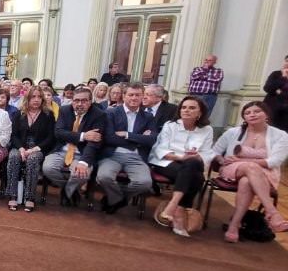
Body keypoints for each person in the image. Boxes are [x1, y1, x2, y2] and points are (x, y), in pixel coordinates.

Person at [212, 101, 288, 242]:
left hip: (266, 172)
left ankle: (234, 225)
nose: (252, 114)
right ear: (244, 118)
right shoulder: (233, 132)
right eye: (247, 113)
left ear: (266, 114)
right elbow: (215, 151)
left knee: (246, 181)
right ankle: (272, 213)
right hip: (232, 169)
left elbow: (275, 161)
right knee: (251, 168)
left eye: (257, 111)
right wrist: (222, 161)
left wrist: (246, 162)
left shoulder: (280, 135)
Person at [149, 96, 214, 237]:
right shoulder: (170, 125)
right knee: (196, 177)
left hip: (192, 163)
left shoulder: (207, 130)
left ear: (200, 113)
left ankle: (174, 206)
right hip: (167, 162)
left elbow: (207, 153)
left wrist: (193, 157)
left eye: (192, 108)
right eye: (184, 107)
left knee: (191, 164)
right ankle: (180, 211)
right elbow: (161, 149)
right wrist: (180, 157)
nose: (186, 110)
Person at [96, 83, 156, 214]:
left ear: (142, 97)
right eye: (130, 95)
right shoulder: (111, 113)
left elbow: (151, 140)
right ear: (124, 96)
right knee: (103, 177)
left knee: (145, 183)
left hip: (136, 157)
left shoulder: (148, 117)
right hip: (112, 156)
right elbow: (109, 138)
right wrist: (138, 139)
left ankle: (116, 198)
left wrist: (127, 134)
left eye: (137, 95)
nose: (134, 98)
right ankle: (118, 198)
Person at [42, 86, 106, 206]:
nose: (80, 104)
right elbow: (59, 132)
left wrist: (84, 162)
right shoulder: (65, 110)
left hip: (83, 152)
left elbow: (94, 141)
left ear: (90, 102)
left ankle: (66, 192)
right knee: (48, 168)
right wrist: (83, 136)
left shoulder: (99, 115)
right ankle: (72, 190)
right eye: (76, 100)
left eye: (84, 100)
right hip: (61, 150)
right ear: (72, 101)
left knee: (82, 173)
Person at [5, 86, 56, 212]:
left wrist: (34, 149)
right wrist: (21, 149)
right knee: (13, 156)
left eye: (39, 97)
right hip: (20, 146)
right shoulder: (19, 114)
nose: (36, 99)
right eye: (33, 97)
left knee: (33, 159)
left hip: (38, 148)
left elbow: (51, 137)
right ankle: (13, 195)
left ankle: (29, 197)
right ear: (27, 98)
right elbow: (14, 135)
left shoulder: (48, 115)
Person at [263, 55, 288, 132]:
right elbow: (268, 88)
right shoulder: (276, 74)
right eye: (286, 61)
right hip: (272, 109)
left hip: (286, 112)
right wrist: (283, 77)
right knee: (269, 131)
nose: (287, 63)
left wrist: (278, 91)